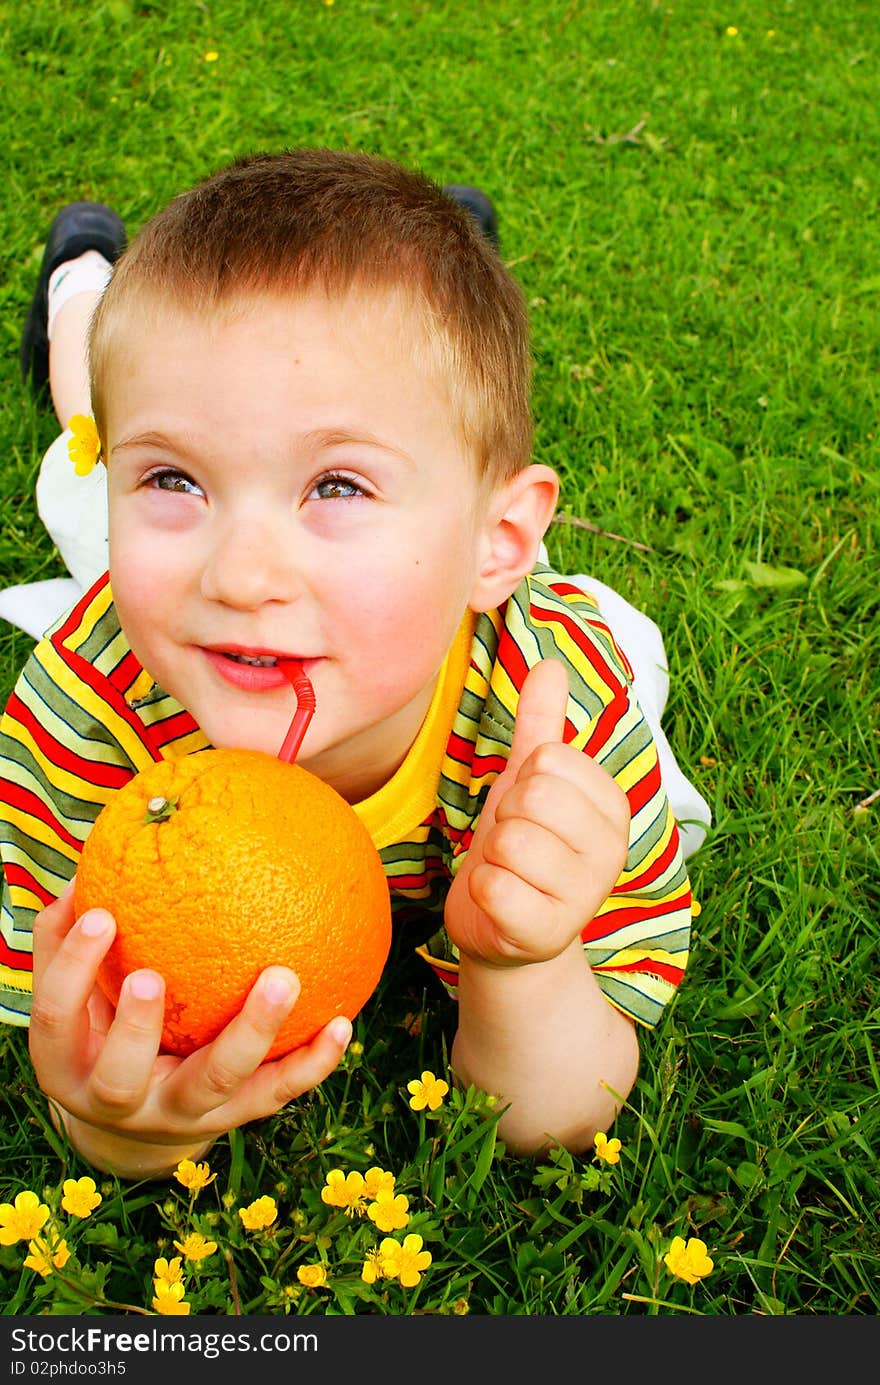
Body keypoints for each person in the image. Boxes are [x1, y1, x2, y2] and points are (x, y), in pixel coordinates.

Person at [0, 150, 707, 1181]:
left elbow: (555, 1113)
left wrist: (525, 959)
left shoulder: (553, 728)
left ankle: (452, 256)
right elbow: (79, 1035)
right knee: (75, 460)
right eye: (170, 475)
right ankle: (81, 287)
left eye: (334, 485)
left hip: (459, 595)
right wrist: (126, 1127)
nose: (238, 574)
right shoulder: (87, 709)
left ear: (497, 546)